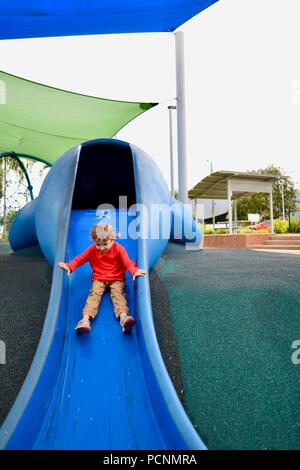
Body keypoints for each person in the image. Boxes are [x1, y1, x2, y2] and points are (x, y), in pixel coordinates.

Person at [58, 223, 146, 334]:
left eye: (105, 244)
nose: (101, 247)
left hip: (116, 278)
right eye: (98, 244)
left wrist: (135, 271)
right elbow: (80, 259)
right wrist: (70, 266)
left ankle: (124, 318)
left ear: (112, 239)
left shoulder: (119, 249)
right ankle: (85, 320)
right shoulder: (92, 250)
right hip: (99, 278)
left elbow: (127, 263)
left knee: (118, 295)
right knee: (94, 295)